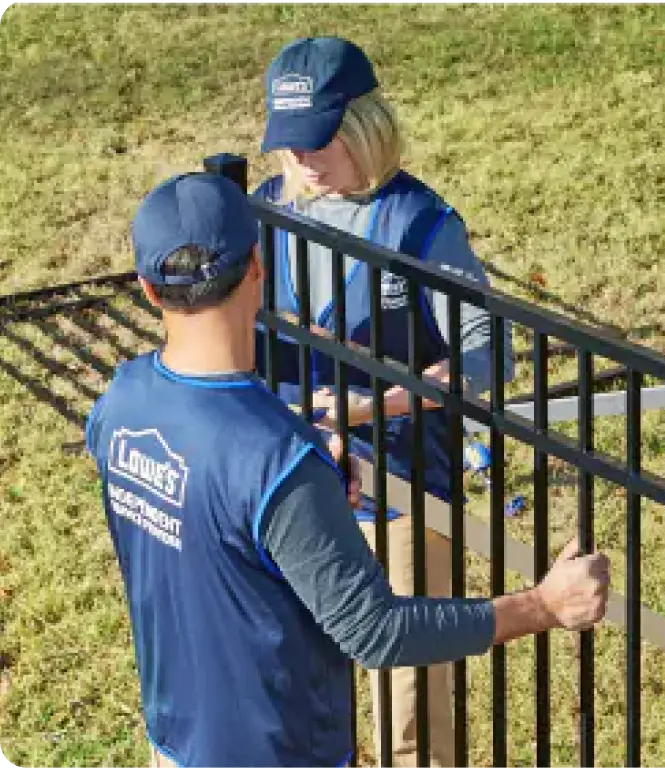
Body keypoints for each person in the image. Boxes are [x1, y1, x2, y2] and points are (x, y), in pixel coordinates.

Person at [85, 172, 610, 768]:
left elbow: (207, 521)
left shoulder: (119, 406)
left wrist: (309, 495)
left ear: (149, 291)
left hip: (176, 745)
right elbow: (376, 631)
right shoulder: (276, 460)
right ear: (258, 264)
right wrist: (543, 604)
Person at [253, 36, 516, 768]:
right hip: (294, 484)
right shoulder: (267, 210)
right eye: (289, 143)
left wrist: (375, 406)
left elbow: (488, 359)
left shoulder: (422, 225)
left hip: (404, 491)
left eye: (318, 141)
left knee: (409, 689)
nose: (302, 160)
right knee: (300, 660)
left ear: (366, 125)